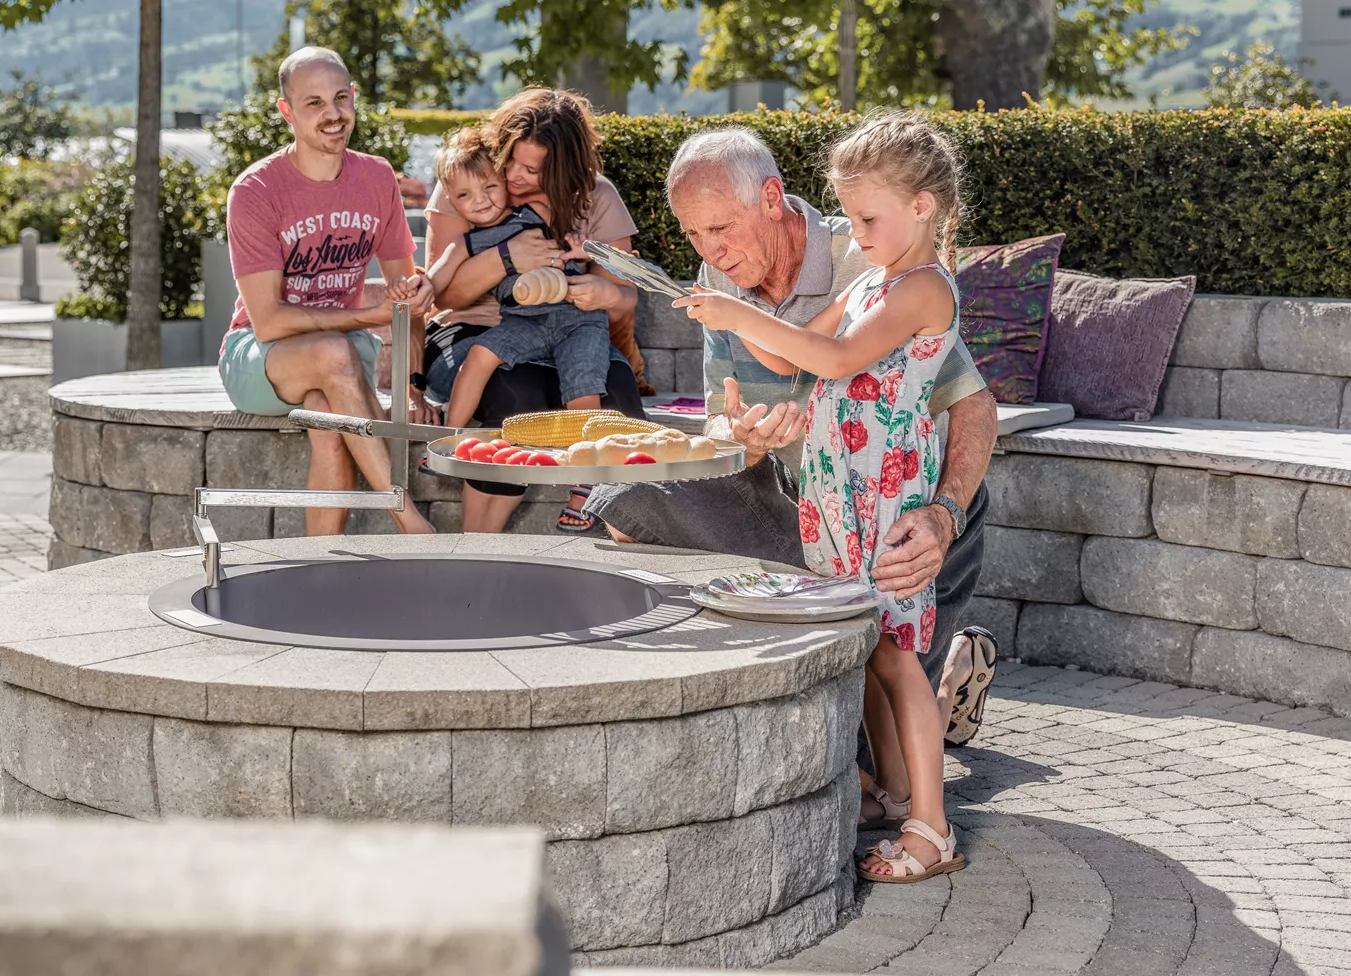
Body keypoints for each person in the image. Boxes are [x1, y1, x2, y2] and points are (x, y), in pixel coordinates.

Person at [585, 125, 1000, 751]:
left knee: (864, 722)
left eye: (721, 227)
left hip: (901, 514)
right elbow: (722, 419)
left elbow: (974, 405)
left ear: (772, 199)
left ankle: (948, 690)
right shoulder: (720, 277)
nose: (710, 249)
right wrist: (742, 437)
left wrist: (944, 515)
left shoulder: (877, 251)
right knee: (630, 496)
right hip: (803, 501)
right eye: (693, 234)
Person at [675, 112, 968, 883]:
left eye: (868, 219)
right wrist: (725, 317)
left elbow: (835, 358)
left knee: (898, 658)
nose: (857, 234)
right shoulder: (872, 279)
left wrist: (735, 313)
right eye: (853, 218)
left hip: (887, 492)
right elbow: (787, 357)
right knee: (868, 643)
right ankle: (899, 792)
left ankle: (932, 829)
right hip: (840, 488)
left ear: (922, 208)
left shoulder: (924, 289)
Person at [219, 45, 436, 535]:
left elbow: (405, 294)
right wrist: (371, 317)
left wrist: (412, 382)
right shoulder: (255, 191)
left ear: (353, 97)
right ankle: (409, 521)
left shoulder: (376, 177)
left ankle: (320, 560)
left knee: (327, 418)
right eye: (314, 103)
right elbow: (269, 321)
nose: (333, 114)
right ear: (287, 112)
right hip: (260, 355)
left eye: (340, 98)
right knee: (335, 353)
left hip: (342, 354)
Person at [423, 89, 644, 533]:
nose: (515, 177)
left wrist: (602, 292)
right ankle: (477, 543)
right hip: (474, 330)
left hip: (569, 326)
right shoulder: (469, 177)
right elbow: (444, 297)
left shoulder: (596, 196)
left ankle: (605, 529)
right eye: (511, 162)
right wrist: (506, 258)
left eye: (533, 169)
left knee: (617, 402)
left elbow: (624, 301)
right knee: (519, 398)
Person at [425, 128, 610, 428]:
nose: (480, 200)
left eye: (489, 187)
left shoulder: (534, 212)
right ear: (450, 199)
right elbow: (433, 283)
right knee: (479, 354)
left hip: (576, 316)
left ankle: (587, 449)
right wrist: (417, 287)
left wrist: (581, 250)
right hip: (524, 321)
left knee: (582, 383)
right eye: (464, 195)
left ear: (504, 181)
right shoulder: (464, 244)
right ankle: (450, 437)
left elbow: (570, 244)